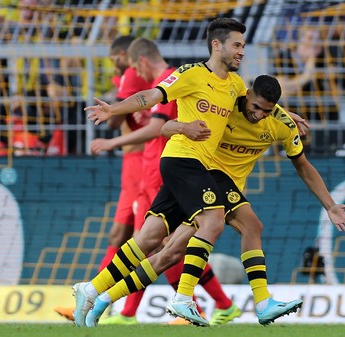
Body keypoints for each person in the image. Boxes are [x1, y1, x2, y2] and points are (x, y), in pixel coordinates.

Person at [79, 74, 345, 328]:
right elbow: (165, 128)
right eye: (256, 107)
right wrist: (183, 127)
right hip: (201, 174)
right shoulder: (223, 106)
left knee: (169, 251)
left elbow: (303, 166)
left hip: (213, 185)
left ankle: (100, 296)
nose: (259, 115)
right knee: (250, 226)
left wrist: (330, 205)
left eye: (267, 111)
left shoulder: (280, 124)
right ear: (247, 95)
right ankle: (249, 301)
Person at [76, 17, 265, 327]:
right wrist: (114, 109)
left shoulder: (235, 85)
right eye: (236, 45)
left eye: (243, 46)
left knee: (150, 237)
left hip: (195, 167)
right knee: (213, 219)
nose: (241, 52)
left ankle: (92, 289)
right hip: (180, 160)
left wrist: (285, 117)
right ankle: (183, 300)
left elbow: (254, 110)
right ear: (216, 45)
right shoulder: (190, 74)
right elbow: (150, 97)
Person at [54, 35, 150, 321]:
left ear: (124, 55)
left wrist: (113, 102)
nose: (115, 64)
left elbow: (117, 121)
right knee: (122, 236)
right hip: (134, 163)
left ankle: (123, 309)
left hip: (142, 164)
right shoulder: (133, 76)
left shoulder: (131, 74)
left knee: (146, 239)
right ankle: (93, 300)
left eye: (114, 59)